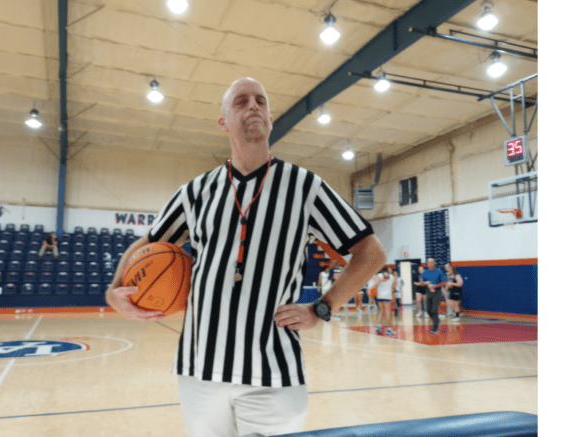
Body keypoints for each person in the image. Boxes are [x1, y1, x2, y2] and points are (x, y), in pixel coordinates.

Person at [105, 77, 386, 437]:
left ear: (269, 118)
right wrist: (115, 290)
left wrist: (323, 308)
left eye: (261, 101)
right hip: (200, 372)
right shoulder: (195, 192)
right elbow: (149, 242)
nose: (254, 106)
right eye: (241, 101)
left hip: (274, 376)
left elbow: (371, 252)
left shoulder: (306, 187)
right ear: (223, 122)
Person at [420, 258, 446, 334]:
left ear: (434, 263)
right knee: (428, 310)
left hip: (437, 292)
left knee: (434, 309)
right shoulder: (425, 272)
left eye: (431, 262)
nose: (430, 264)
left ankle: (435, 327)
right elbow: (421, 283)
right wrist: (425, 283)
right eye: (429, 262)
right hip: (428, 292)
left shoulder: (439, 272)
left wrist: (435, 286)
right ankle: (437, 320)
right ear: (427, 264)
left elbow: (444, 283)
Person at [373, 266, 396, 336]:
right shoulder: (392, 277)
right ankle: (389, 330)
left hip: (379, 295)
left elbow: (376, 284)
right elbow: (393, 288)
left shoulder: (379, 275)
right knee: (387, 312)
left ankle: (378, 326)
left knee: (381, 311)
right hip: (387, 296)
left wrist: (371, 288)